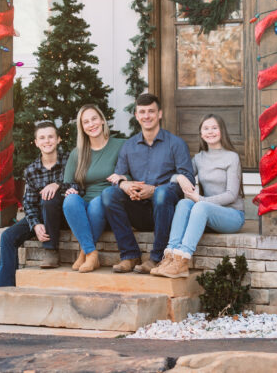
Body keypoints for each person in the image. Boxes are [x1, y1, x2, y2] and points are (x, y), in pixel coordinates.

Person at [101, 93, 194, 274]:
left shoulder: (176, 144)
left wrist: (156, 190)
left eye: (151, 111)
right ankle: (130, 254)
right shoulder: (128, 146)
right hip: (138, 208)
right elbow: (117, 177)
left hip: (166, 209)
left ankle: (157, 257)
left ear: (159, 114)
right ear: (136, 116)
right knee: (108, 194)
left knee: (161, 194)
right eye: (142, 112)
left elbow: (188, 180)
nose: (146, 116)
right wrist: (124, 185)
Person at [152, 114, 245, 278]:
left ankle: (182, 260)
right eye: (206, 128)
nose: (210, 132)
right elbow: (181, 175)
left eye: (214, 128)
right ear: (201, 134)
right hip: (207, 213)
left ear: (222, 131)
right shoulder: (199, 158)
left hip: (231, 215)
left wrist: (201, 200)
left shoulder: (232, 157)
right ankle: (171, 256)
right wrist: (179, 177)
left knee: (198, 205)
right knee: (183, 204)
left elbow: (231, 195)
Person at [0, 121, 67, 287]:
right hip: (42, 215)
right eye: (42, 138)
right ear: (36, 143)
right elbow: (29, 203)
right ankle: (5, 287)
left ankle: (51, 250)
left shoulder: (69, 160)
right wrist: (35, 225)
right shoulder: (31, 170)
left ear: (58, 139)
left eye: (50, 137)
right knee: (8, 237)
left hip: (64, 214)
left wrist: (58, 185)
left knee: (49, 198)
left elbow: (79, 185)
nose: (47, 141)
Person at [62, 104, 125, 273]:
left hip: (108, 199)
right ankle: (91, 252)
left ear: (102, 120)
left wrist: (123, 177)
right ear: (82, 127)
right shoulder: (78, 153)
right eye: (86, 122)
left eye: (94, 119)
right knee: (69, 201)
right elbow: (68, 182)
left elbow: (134, 172)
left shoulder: (120, 145)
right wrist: (70, 190)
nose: (91, 124)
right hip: (85, 201)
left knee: (98, 203)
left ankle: (84, 253)